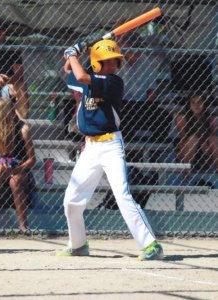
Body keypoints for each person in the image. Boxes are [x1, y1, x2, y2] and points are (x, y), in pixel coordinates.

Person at [59, 39, 163, 260]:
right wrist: (73, 53)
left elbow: (79, 75)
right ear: (96, 64)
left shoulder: (113, 82)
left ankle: (151, 245)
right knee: (71, 199)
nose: (112, 65)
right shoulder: (88, 80)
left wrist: (73, 55)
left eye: (114, 61)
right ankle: (78, 244)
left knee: (122, 195)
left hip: (110, 146)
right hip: (90, 148)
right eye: (106, 62)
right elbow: (69, 71)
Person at [0, 98, 36, 230]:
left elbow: (32, 159)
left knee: (15, 181)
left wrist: (15, 170)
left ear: (3, 113)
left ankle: (24, 226)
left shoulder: (23, 129)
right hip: (1, 165)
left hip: (20, 167)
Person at [0, 21, 29, 118]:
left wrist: (6, 79)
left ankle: (21, 120)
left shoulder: (12, 47)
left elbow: (19, 75)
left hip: (5, 85)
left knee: (21, 86)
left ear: (1, 33)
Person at [175, 92, 218, 172]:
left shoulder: (211, 118)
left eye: (199, 102)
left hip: (205, 150)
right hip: (187, 149)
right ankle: (185, 174)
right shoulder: (182, 118)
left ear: (204, 103)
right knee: (193, 139)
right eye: (193, 102)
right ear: (189, 104)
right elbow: (183, 139)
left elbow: (213, 138)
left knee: (214, 139)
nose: (196, 105)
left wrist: (204, 143)